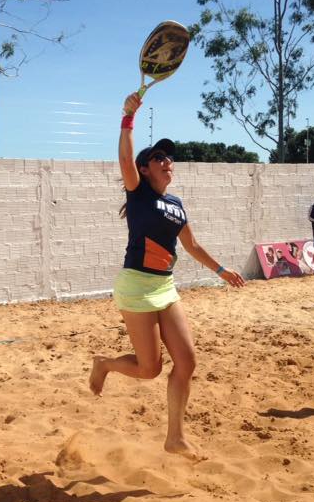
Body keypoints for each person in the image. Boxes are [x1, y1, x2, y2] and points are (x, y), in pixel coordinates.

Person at [89, 90, 246, 460]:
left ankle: (175, 437)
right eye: (159, 157)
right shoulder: (138, 192)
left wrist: (222, 270)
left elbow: (191, 246)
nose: (167, 161)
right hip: (137, 286)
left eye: (169, 157)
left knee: (187, 361)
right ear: (145, 169)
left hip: (165, 286)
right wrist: (127, 117)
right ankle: (105, 364)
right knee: (149, 369)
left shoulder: (176, 204)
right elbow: (125, 155)